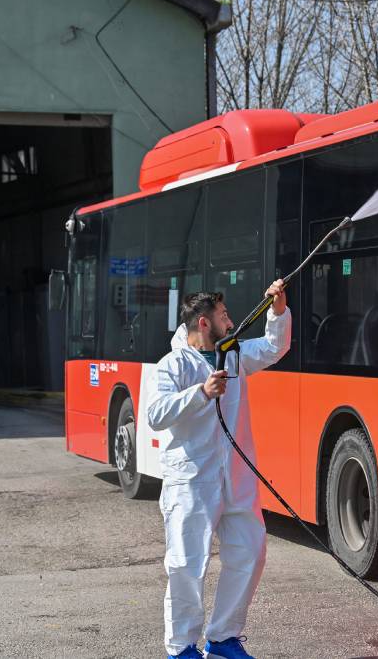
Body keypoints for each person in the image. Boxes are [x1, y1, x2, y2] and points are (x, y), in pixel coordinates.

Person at [147, 282, 291, 659]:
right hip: (192, 480)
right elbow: (155, 414)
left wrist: (277, 311)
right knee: (187, 564)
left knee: (251, 552)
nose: (230, 319)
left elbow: (275, 347)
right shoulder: (174, 364)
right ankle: (181, 648)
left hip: (237, 477)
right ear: (203, 322)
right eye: (223, 314)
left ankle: (224, 637)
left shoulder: (235, 355)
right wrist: (200, 394)